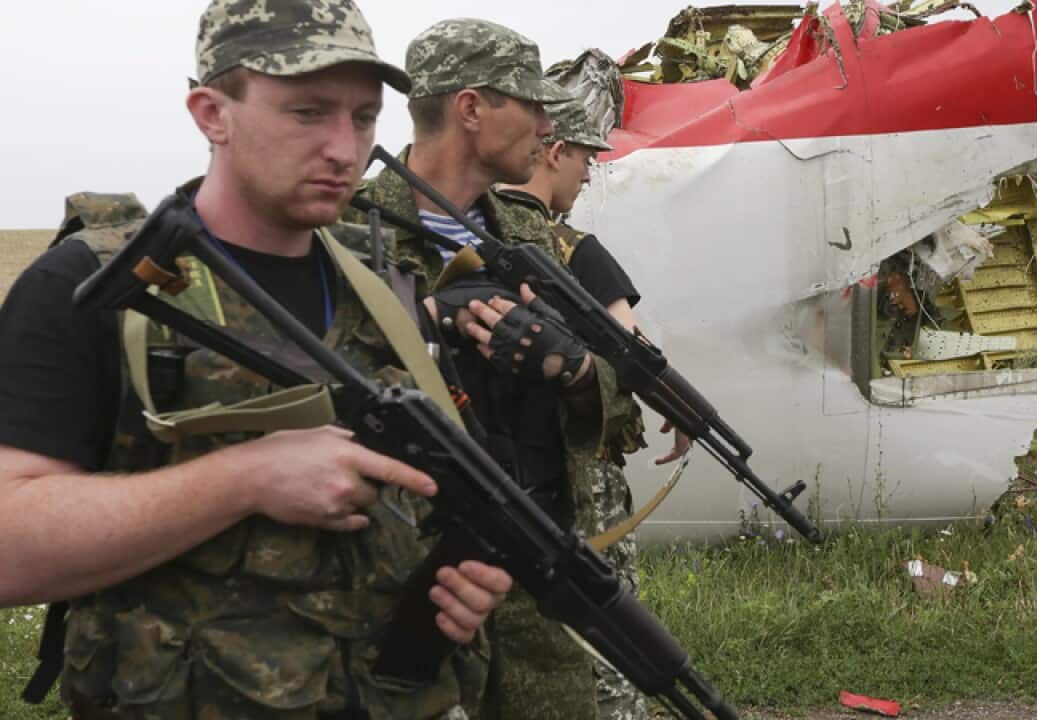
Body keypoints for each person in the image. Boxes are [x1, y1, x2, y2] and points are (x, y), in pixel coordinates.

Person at [0, 2, 510, 718]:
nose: (344, 147)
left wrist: (459, 583)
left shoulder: (387, 288)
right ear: (212, 113)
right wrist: (243, 479)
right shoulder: (91, 289)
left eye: (364, 118)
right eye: (308, 112)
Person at [345, 19, 646, 720]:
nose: (550, 124)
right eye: (532, 105)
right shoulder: (351, 236)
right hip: (413, 602)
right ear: (472, 109)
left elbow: (620, 407)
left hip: (538, 590)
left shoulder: (531, 240)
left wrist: (573, 371)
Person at [491, 96, 701, 720]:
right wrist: (681, 409)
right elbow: (630, 348)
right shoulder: (574, 249)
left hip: (500, 471)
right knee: (608, 624)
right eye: (584, 158)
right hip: (581, 470)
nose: (588, 174)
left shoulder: (472, 231)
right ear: (553, 152)